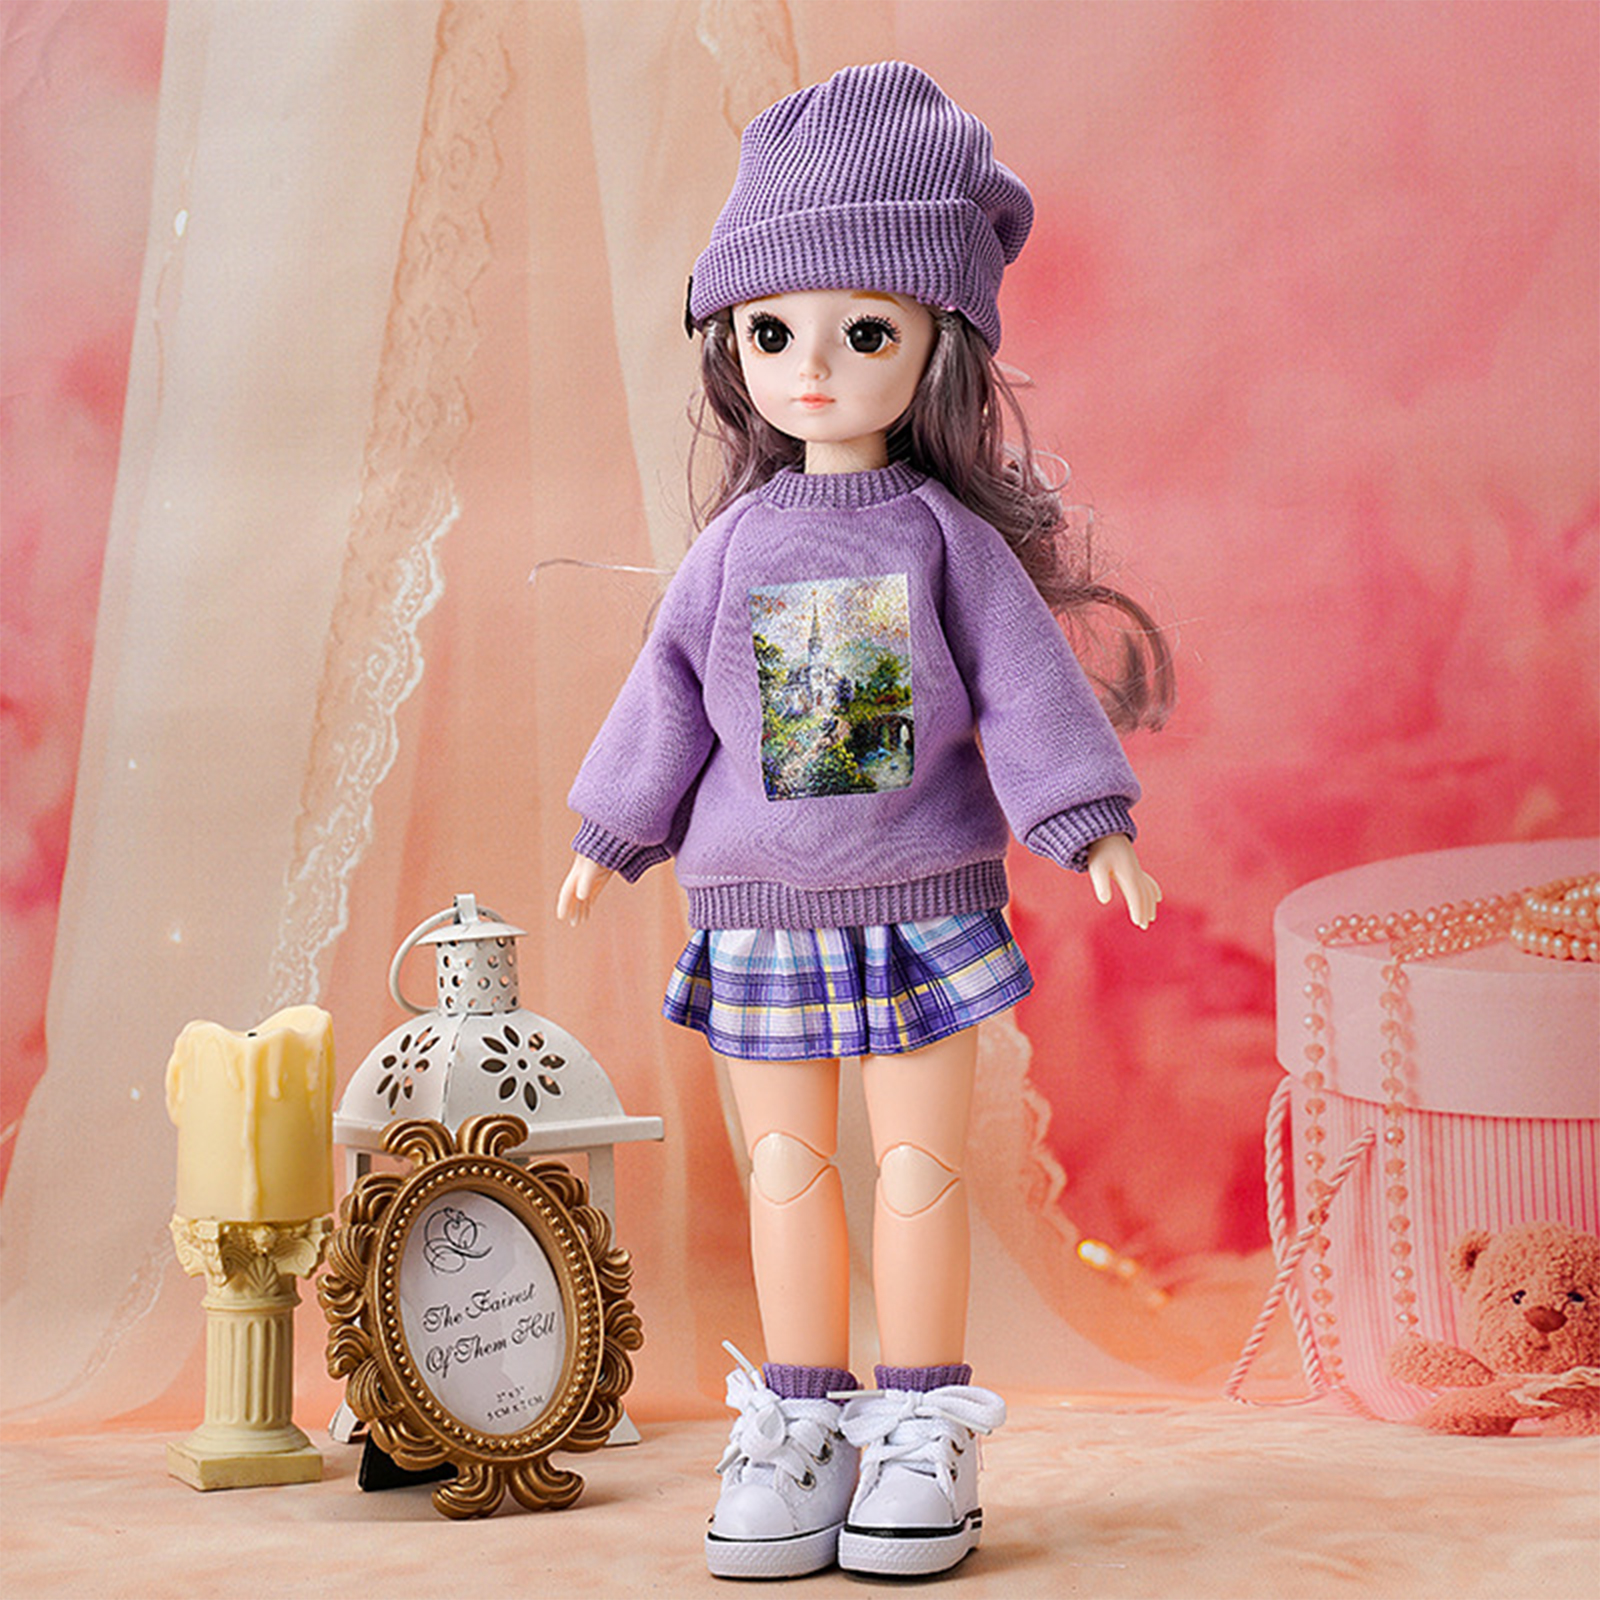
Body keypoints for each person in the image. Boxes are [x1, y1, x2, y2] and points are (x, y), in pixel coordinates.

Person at [556, 61, 1169, 1580]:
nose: (814, 368)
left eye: (865, 332)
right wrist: (610, 830)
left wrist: (1088, 818)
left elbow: (1026, 689)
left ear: (939, 344)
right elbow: (666, 693)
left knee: (917, 1171)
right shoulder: (733, 548)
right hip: (759, 906)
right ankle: (799, 1421)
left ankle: (920, 1424)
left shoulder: (946, 541)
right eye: (773, 333)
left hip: (923, 896)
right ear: (734, 345)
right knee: (785, 1173)